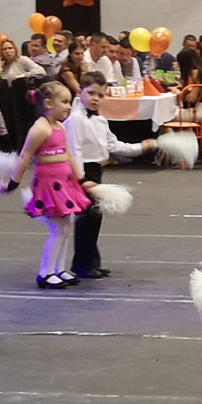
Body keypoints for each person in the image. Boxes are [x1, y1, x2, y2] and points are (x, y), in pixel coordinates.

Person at [64, 72, 156, 279]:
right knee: (87, 219)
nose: (96, 98)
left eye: (100, 95)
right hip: (82, 172)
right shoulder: (76, 120)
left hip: (96, 170)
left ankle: (91, 261)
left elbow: (113, 146)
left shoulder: (101, 121)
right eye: (91, 93)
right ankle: (82, 265)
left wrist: (141, 147)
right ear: (80, 92)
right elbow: (74, 151)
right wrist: (82, 179)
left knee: (94, 219)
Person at [6, 81, 94, 289]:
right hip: (49, 186)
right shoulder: (40, 129)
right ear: (48, 103)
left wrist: (80, 179)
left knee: (66, 227)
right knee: (58, 229)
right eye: (64, 102)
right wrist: (13, 181)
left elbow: (69, 155)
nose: (68, 106)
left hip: (64, 183)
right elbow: (25, 155)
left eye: (69, 102)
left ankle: (58, 269)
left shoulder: (60, 126)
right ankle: (45, 273)